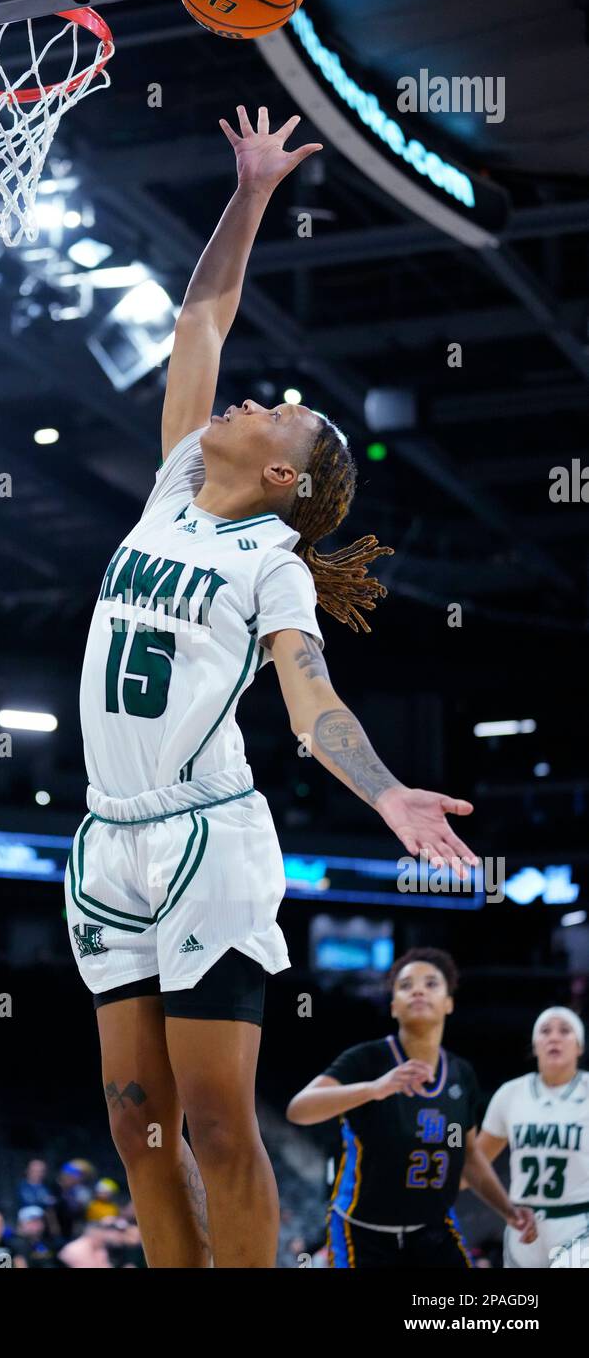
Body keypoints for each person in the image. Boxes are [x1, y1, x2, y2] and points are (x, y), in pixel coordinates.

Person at [64, 104, 480, 1269]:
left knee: (212, 1122)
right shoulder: (170, 487)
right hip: (106, 839)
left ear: (285, 471)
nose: (246, 399)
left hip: (209, 837)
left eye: (272, 410)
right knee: (134, 1123)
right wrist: (247, 195)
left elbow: (307, 695)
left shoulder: (271, 565)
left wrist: (384, 790)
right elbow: (203, 313)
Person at [286, 948, 537, 1267]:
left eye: (431, 983)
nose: (418, 990)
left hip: (433, 1230)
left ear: (449, 1002)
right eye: (406, 985)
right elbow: (299, 1109)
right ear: (393, 1006)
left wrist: (508, 1209)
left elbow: (469, 1155)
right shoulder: (366, 1060)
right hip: (363, 1233)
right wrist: (374, 1089)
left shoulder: (461, 1075)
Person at [476, 1006, 589, 1268]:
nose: (554, 1037)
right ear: (535, 1045)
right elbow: (475, 1162)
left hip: (578, 1223)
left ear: (579, 1046)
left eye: (565, 1031)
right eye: (545, 1031)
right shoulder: (510, 1093)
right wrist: (452, 1137)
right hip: (522, 1226)